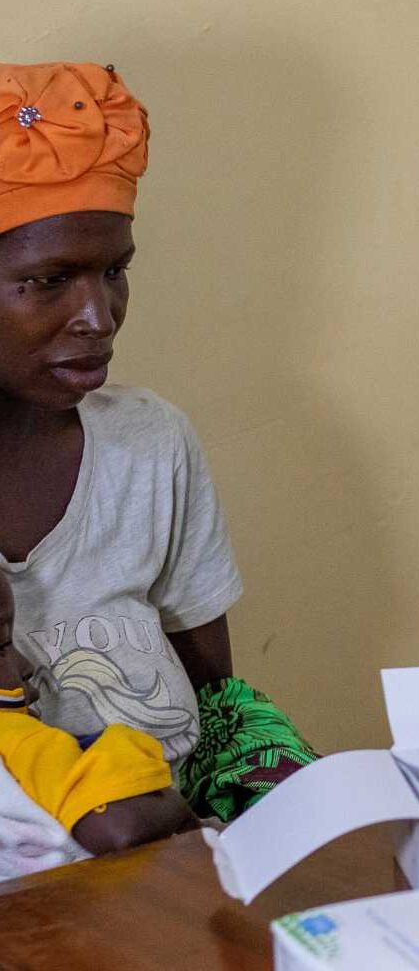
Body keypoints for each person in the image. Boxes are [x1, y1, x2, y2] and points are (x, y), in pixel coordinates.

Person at [0, 61, 315, 825]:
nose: (98, 317)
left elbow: (217, 700)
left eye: (115, 272)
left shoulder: (150, 441)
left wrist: (267, 813)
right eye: (49, 281)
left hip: (179, 850)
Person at [0, 571, 195, 878]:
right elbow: (119, 831)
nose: (27, 665)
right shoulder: (17, 740)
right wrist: (175, 805)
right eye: (2, 647)